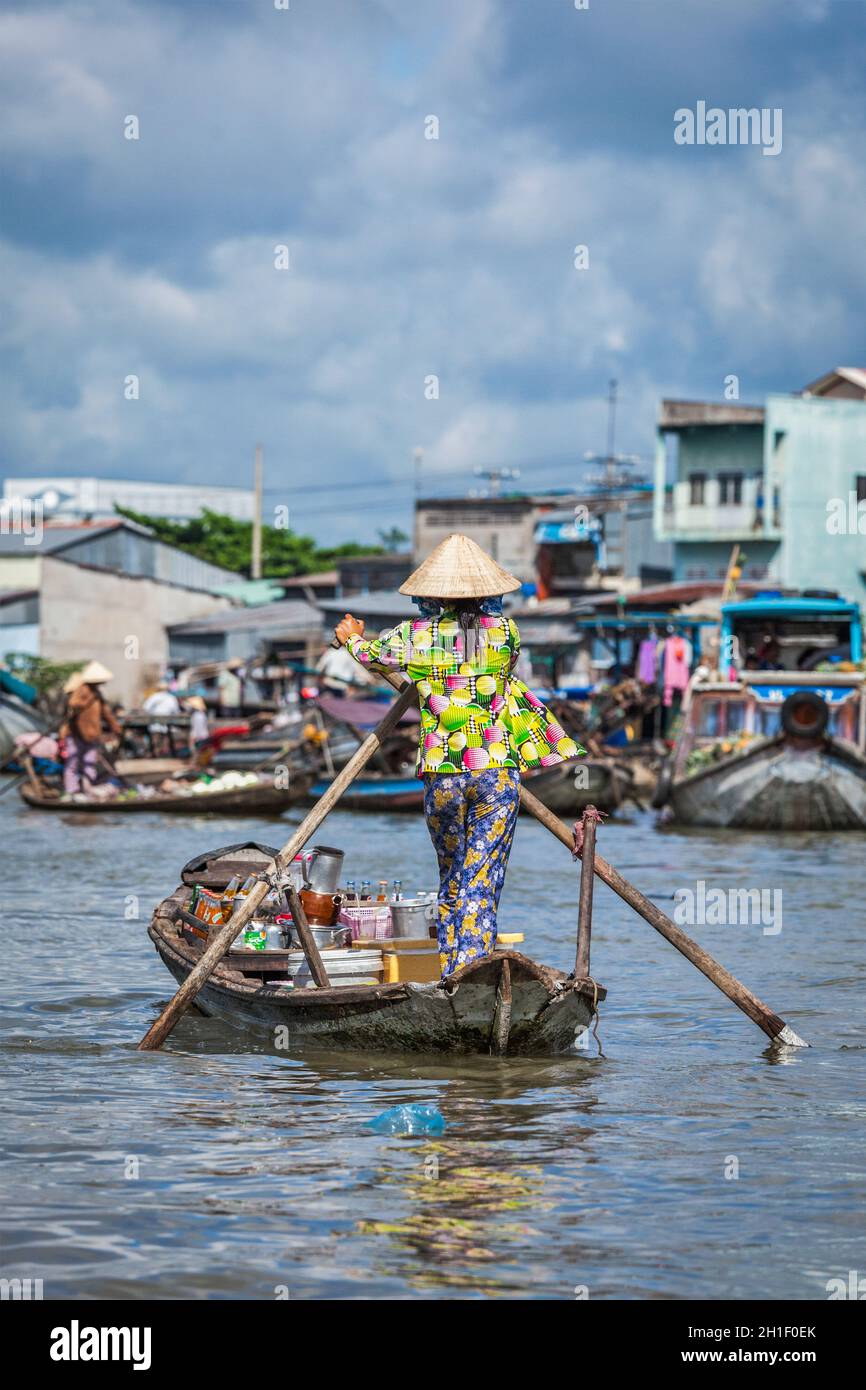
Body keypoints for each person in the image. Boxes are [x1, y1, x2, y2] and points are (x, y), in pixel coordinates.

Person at [335, 533, 583, 978]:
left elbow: (373, 657)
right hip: (495, 773)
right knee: (481, 880)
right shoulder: (506, 632)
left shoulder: (413, 635)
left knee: (452, 876)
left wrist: (351, 638)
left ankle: (455, 972)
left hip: (444, 775)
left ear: (429, 595)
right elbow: (486, 663)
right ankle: (474, 970)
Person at [60, 661, 122, 796]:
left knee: (89, 761)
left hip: (92, 734)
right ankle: (72, 790)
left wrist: (116, 727)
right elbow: (73, 704)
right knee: (73, 762)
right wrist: (88, 699)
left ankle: (88, 787)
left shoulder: (97, 694)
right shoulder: (82, 689)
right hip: (75, 734)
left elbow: (106, 712)